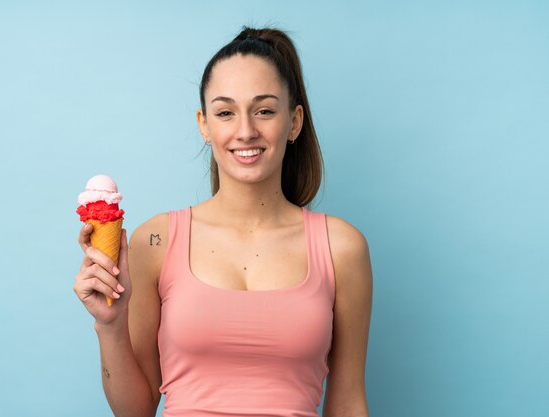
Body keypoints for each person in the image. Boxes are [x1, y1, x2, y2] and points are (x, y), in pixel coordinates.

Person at [74, 27, 373, 417]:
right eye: (225, 112)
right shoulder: (156, 241)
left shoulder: (343, 248)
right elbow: (135, 411)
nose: (245, 130)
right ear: (204, 124)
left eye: (264, 110)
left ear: (294, 121)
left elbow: (348, 402)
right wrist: (109, 325)